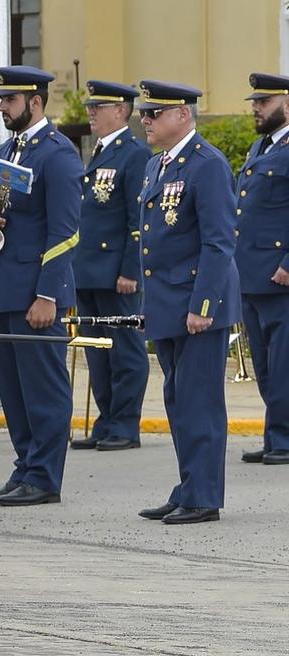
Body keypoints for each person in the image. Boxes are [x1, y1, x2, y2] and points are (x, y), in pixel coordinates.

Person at [0, 66, 81, 507]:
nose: (1, 107)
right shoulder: (6, 151)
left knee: (43, 389)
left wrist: (48, 295)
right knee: (14, 391)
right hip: (1, 286)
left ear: (35, 102)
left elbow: (66, 232)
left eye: (9, 100)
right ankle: (25, 466)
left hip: (35, 292)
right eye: (1, 100)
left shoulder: (58, 155)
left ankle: (44, 476)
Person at [132, 81, 238, 524]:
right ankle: (188, 485)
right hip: (170, 302)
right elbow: (154, 243)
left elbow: (218, 242)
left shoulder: (206, 164)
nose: (146, 120)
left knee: (200, 402)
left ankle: (204, 496)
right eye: (145, 113)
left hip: (196, 305)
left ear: (183, 115)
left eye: (155, 113)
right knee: (178, 398)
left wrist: (204, 306)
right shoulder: (158, 164)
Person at [71, 80, 150, 451]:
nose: (91, 112)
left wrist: (130, 271)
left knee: (125, 351)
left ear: (120, 111)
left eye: (98, 107)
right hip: (89, 270)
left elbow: (137, 220)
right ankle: (106, 419)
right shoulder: (100, 151)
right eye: (90, 106)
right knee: (98, 351)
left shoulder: (133, 154)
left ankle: (125, 424)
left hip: (116, 273)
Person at [235, 72, 289, 466]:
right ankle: (275, 435)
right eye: (255, 101)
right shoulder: (260, 147)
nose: (256, 107)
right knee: (266, 364)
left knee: (284, 362)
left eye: (264, 102)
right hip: (253, 273)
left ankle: (284, 438)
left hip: (280, 274)